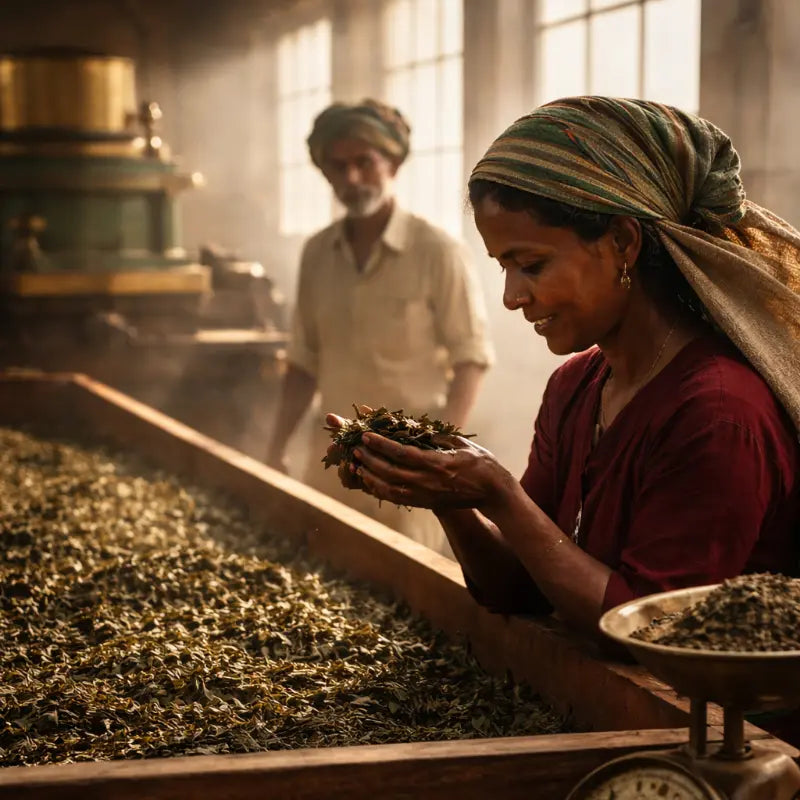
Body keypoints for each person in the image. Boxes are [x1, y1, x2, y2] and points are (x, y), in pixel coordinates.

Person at [327, 96, 800, 636]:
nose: (511, 296)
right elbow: (518, 586)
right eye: (504, 266)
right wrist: (447, 496)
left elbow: (651, 628)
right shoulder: (577, 385)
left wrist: (501, 494)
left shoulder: (718, 412)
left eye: (531, 265)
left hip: (717, 719)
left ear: (623, 242)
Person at [266, 99, 494, 555]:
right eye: (337, 166)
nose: (351, 178)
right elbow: (303, 364)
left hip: (406, 468)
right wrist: (275, 449)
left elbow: (471, 359)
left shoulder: (436, 251)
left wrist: (437, 458)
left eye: (363, 162)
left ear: (392, 162)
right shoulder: (317, 254)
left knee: (408, 588)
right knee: (321, 585)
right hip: (331, 461)